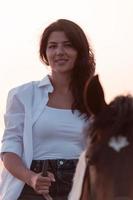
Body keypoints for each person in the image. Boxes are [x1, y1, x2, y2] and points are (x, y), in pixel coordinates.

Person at [0, 18, 95, 200]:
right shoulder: (23, 95)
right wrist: (32, 178)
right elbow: (9, 149)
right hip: (34, 186)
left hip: (81, 186)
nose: (59, 52)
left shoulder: (91, 98)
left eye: (67, 45)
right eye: (52, 46)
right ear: (45, 53)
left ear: (79, 51)